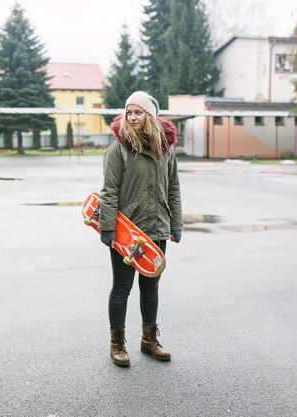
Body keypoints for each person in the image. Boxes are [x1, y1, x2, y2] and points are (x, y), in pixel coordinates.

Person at [99, 91, 183, 367]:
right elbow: (109, 191)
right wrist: (107, 227)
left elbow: (173, 189)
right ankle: (117, 344)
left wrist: (176, 223)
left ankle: (149, 340)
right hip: (127, 232)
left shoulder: (165, 149)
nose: (133, 117)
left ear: (150, 116)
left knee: (151, 288)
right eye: (129, 112)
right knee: (121, 288)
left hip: (157, 228)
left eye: (138, 112)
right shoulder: (119, 148)